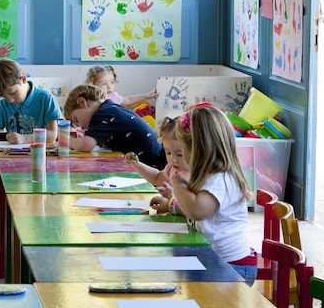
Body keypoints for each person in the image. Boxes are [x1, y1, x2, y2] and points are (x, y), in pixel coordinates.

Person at [150, 104, 257, 284]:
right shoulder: (207, 174)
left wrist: (178, 184)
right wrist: (172, 206)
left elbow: (197, 210)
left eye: (182, 148)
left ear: (197, 148)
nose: (180, 155)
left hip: (231, 266)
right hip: (213, 258)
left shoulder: (221, 178)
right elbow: (196, 210)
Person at [62, 84, 166, 169]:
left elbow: (86, 145)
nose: (82, 127)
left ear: (82, 102)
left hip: (152, 165)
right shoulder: (109, 108)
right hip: (151, 161)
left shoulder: (103, 114)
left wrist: (64, 140)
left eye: (76, 120)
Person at [0, 58, 62, 146]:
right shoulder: (2, 105)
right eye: (4, 97)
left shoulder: (45, 99)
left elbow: (52, 134)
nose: (11, 100)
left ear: (23, 79)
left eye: (13, 93)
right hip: (13, 156)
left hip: (41, 155)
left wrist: (25, 138)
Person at [124, 116, 188, 197]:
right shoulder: (172, 168)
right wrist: (137, 165)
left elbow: (191, 207)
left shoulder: (196, 176)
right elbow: (157, 178)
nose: (173, 159)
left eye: (180, 154)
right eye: (168, 152)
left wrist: (172, 199)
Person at [85, 64, 157, 107]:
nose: (109, 87)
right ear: (92, 84)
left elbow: (128, 100)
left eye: (112, 82)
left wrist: (147, 96)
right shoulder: (90, 100)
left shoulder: (113, 97)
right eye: (104, 83)